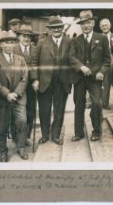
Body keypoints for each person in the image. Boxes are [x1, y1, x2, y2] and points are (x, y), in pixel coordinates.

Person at [32, 16, 77, 145]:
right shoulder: (42, 42)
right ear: (50, 30)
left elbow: (72, 60)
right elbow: (34, 62)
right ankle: (45, 135)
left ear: (62, 28)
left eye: (58, 27)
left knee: (59, 109)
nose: (56, 29)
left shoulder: (69, 42)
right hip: (44, 81)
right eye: (53, 28)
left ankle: (55, 135)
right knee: (44, 110)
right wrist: (35, 79)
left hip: (62, 82)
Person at [70, 10, 111, 142]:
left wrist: (101, 72)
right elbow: (71, 57)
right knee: (79, 104)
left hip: (95, 79)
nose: (85, 26)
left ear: (93, 23)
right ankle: (78, 132)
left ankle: (97, 131)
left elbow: (107, 60)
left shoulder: (102, 38)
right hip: (80, 78)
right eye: (83, 24)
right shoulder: (76, 40)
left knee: (97, 103)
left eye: (88, 23)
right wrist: (81, 67)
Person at [0, 30, 28, 162]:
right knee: (2, 125)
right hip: (2, 98)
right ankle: (3, 151)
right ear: (1, 45)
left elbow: (24, 78)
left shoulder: (20, 59)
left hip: (19, 97)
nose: (9, 46)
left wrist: (16, 94)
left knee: (22, 121)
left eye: (11, 43)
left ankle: (21, 147)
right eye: (6, 43)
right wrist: (7, 94)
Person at [13, 24, 37, 147]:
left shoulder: (35, 49)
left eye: (28, 36)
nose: (26, 39)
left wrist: (36, 79)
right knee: (17, 112)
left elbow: (37, 65)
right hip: (17, 85)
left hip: (31, 85)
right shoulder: (13, 49)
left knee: (30, 112)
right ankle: (16, 137)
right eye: (24, 36)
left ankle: (26, 136)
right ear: (19, 37)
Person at [99, 18, 113, 110]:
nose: (105, 27)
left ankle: (105, 103)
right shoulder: (98, 37)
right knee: (96, 82)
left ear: (110, 26)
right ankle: (95, 103)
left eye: (106, 25)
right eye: (103, 26)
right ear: (100, 27)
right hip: (99, 63)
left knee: (107, 83)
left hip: (110, 63)